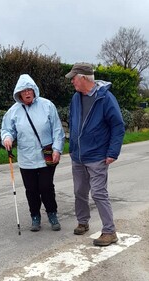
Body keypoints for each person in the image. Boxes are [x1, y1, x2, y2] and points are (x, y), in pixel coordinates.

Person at [65, 62, 125, 246]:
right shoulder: (76, 97)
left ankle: (109, 231)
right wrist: (73, 145)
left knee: (99, 193)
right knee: (79, 192)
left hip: (98, 155)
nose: (72, 81)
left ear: (83, 78)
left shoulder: (105, 98)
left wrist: (113, 152)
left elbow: (118, 126)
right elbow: (72, 119)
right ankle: (83, 222)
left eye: (74, 78)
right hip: (79, 156)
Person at [1, 74, 65, 232]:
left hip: (47, 155)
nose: (27, 93)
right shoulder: (13, 111)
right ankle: (35, 216)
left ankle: (52, 214)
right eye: (24, 91)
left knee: (46, 187)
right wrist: (7, 138)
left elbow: (57, 130)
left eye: (29, 89)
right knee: (31, 189)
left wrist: (57, 148)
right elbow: (7, 129)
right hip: (26, 157)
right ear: (19, 94)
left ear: (34, 90)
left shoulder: (47, 105)